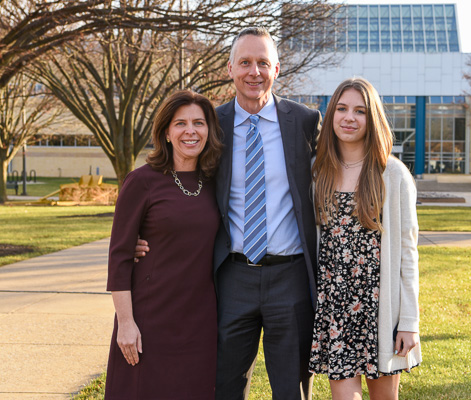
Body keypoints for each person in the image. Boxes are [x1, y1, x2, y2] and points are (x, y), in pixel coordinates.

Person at [135, 27, 320, 399]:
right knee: (222, 386)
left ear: (277, 69)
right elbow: (177, 173)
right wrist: (144, 230)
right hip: (231, 277)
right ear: (230, 69)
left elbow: (341, 166)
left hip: (290, 277)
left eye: (263, 63)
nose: (254, 72)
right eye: (245, 62)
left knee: (291, 389)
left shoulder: (304, 121)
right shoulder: (210, 124)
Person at [105, 90, 223, 399]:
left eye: (198, 123)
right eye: (180, 123)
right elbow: (119, 257)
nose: (190, 131)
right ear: (166, 133)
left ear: (209, 130)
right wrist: (125, 323)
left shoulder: (216, 183)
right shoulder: (141, 181)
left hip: (200, 320)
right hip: (150, 318)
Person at [309, 77, 421, 399]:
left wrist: (409, 321)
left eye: (360, 111)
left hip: (379, 308)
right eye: (342, 109)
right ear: (331, 114)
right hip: (335, 307)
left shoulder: (392, 173)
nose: (349, 117)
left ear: (372, 119)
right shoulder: (317, 171)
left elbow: (407, 252)